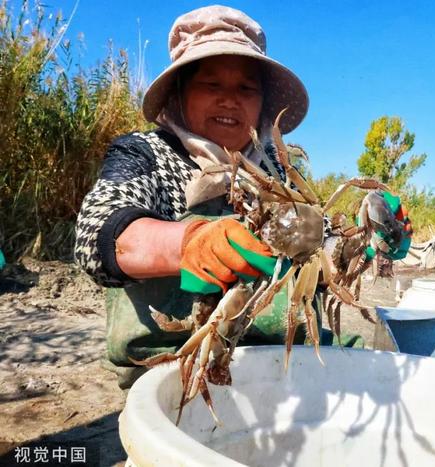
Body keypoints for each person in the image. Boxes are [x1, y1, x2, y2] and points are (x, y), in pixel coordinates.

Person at [75, 5, 411, 388]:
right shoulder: (146, 154)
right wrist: (192, 243)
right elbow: (97, 234)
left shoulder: (280, 168)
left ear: (262, 104)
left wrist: (367, 245)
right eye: (211, 84)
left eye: (246, 89)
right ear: (180, 92)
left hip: (281, 354)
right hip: (170, 361)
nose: (230, 100)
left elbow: (307, 263)